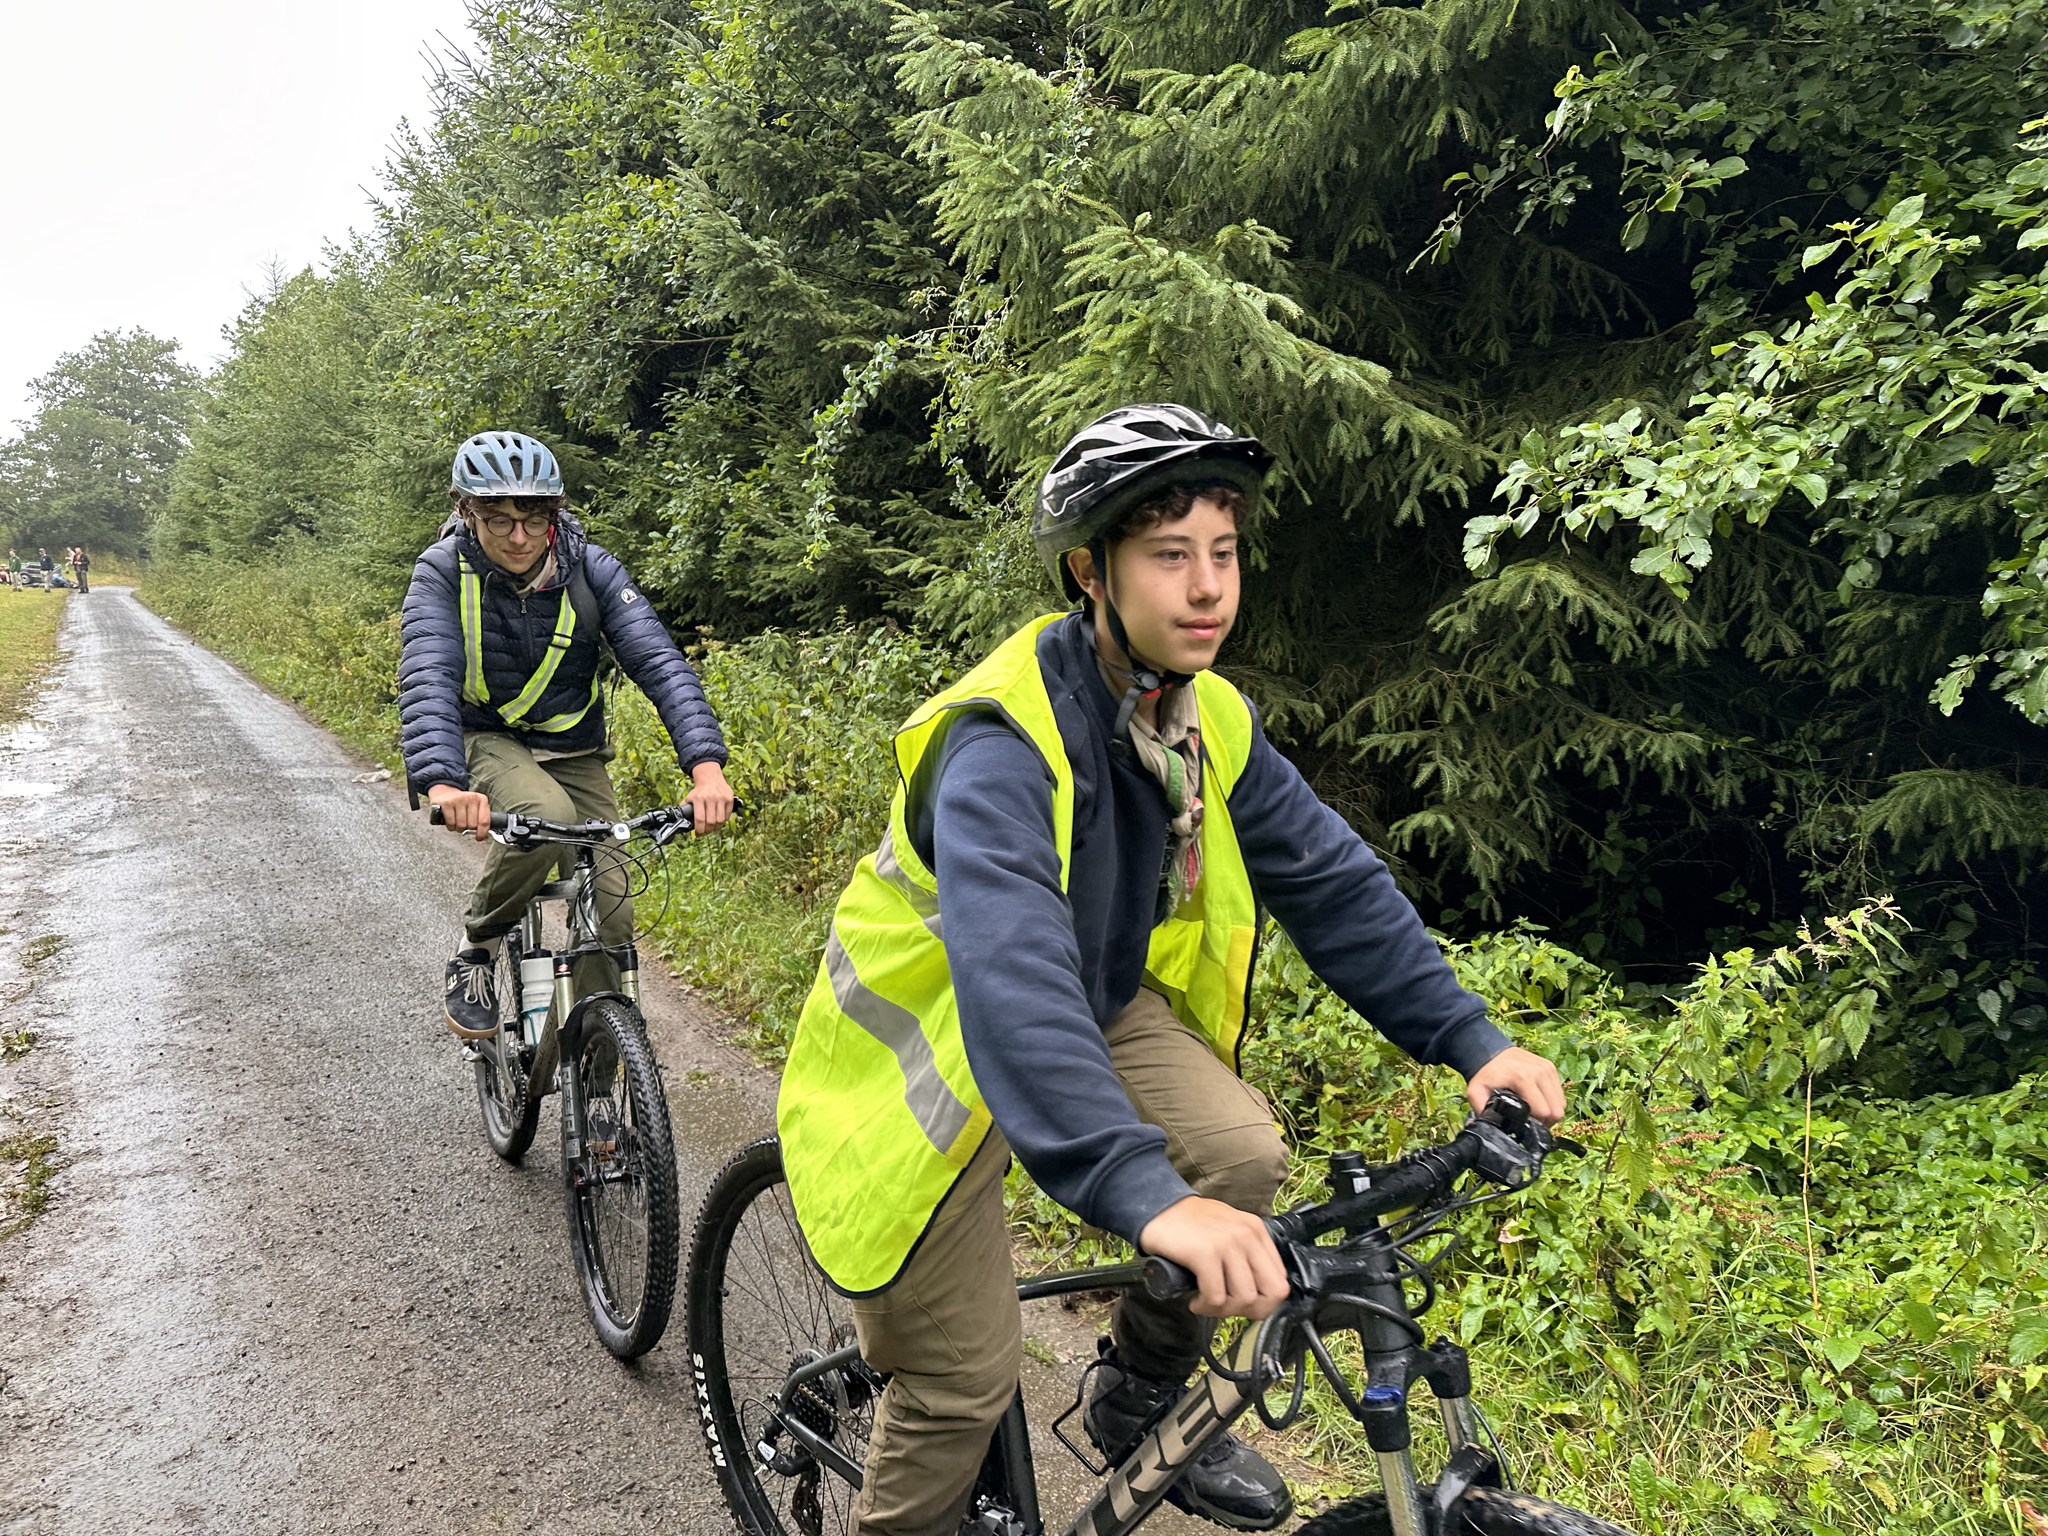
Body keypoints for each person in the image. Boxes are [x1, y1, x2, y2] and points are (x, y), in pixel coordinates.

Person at [775, 404, 1567, 1536]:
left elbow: (1329, 882)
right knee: (959, 1380)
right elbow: (1010, 971)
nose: (1206, 588)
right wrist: (1143, 1196)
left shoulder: (1204, 719)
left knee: (1237, 1158)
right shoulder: (998, 738)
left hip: (1080, 1003)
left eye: (1223, 552)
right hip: (925, 1049)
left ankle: (1137, 1396)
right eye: (1167, 555)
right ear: (1088, 573)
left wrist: (1468, 1037)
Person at [397, 431, 735, 1040]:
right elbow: (429, 670)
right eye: (498, 520)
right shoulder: (443, 573)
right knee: (542, 815)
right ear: (463, 512)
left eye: (534, 518)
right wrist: (444, 784)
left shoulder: (592, 568)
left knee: (613, 909)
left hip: (573, 747)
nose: (519, 538)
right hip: (487, 737)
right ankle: (477, 947)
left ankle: (602, 1089)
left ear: (555, 511)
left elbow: (659, 663)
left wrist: (706, 767)